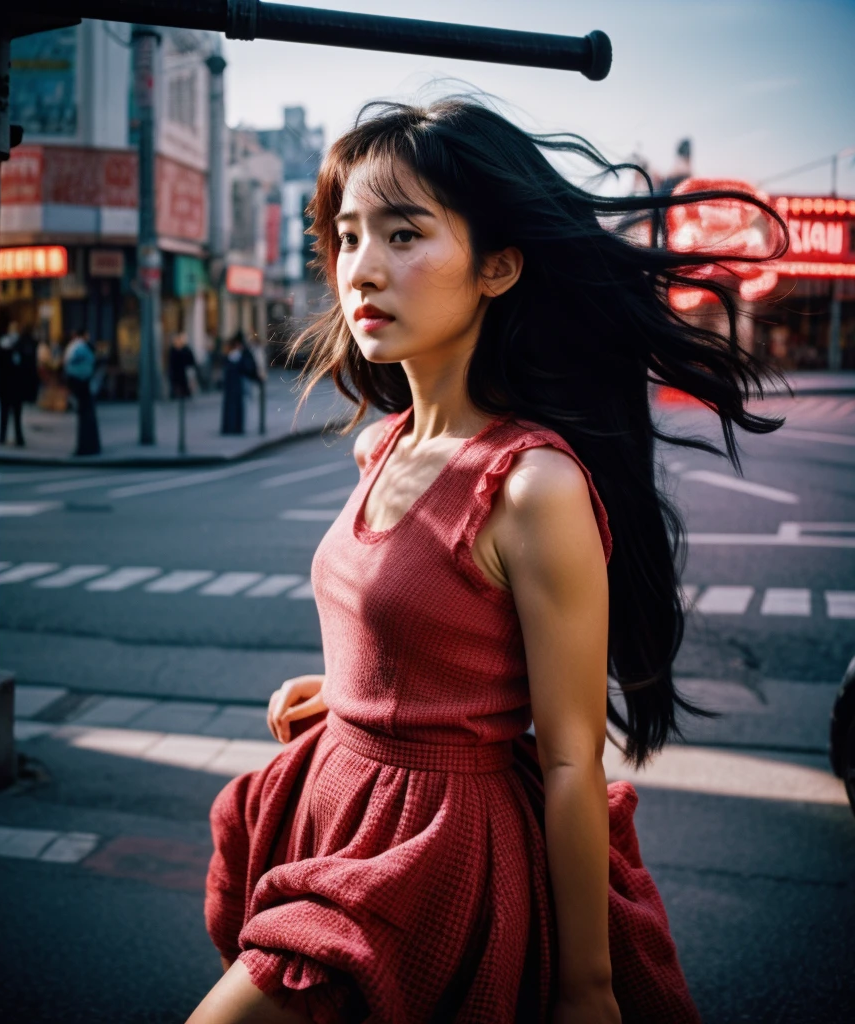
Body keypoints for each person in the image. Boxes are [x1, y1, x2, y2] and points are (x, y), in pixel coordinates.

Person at [191, 101, 787, 1024]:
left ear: (498, 266)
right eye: (348, 237)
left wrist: (586, 989)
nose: (363, 269)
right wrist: (348, 691)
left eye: (404, 232)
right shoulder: (381, 445)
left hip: (429, 859)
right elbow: (436, 629)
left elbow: (570, 761)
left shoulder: (532, 485)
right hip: (338, 804)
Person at [63, 328, 101, 456]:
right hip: (86, 384)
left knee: (83, 415)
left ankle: (83, 447)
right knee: (87, 415)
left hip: (77, 383)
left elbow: (67, 364)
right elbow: (93, 361)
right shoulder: (84, 347)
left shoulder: (72, 347)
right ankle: (91, 446)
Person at [220, 330, 260, 435]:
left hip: (237, 385)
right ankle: (235, 427)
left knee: (238, 406)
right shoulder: (235, 355)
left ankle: (234, 427)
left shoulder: (238, 354)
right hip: (237, 385)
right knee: (238, 406)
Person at [0, 321, 27, 445]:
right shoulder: (15, 347)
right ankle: (11, 437)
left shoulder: (14, 346)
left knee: (10, 413)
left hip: (10, 387)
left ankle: (8, 436)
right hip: (11, 387)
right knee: (11, 414)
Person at [168, 331, 198, 400]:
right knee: (177, 385)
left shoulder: (186, 349)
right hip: (176, 372)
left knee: (185, 386)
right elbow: (172, 362)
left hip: (184, 372)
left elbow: (191, 361)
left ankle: (185, 395)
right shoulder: (173, 350)